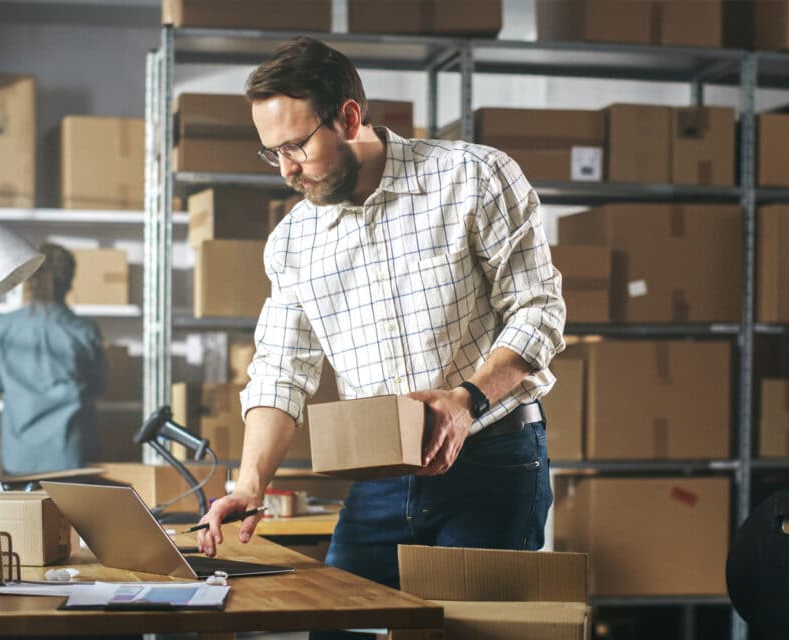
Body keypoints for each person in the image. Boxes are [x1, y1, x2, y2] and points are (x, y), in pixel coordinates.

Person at [196, 34, 565, 613]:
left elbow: (538, 310)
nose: (287, 170)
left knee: (469, 632)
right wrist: (249, 483)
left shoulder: (473, 178)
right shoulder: (294, 239)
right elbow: (279, 370)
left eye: (295, 146)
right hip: (378, 479)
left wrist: (465, 401)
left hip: (492, 460)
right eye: (273, 154)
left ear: (348, 117)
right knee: (337, 625)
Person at [0, 243, 107, 475]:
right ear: (68, 282)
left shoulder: (2, 328)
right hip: (69, 452)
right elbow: (100, 385)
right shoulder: (84, 330)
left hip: (20, 456)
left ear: (28, 280)